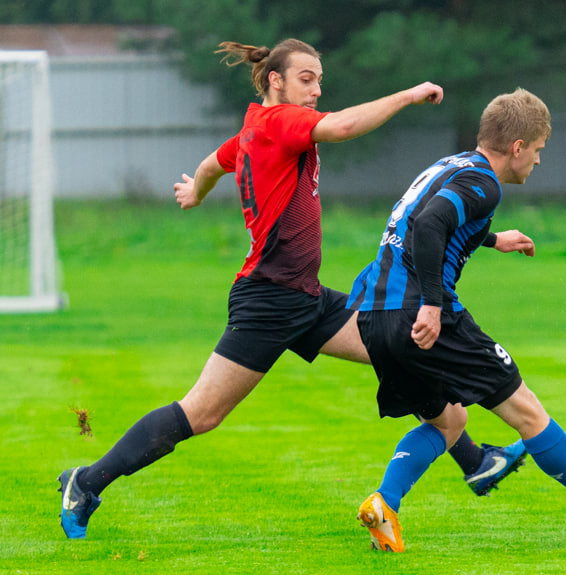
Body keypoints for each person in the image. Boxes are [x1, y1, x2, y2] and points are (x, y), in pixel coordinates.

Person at [57, 38, 525, 540]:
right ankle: (86, 482)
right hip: (269, 300)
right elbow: (342, 126)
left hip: (306, 298)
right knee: (203, 412)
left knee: (406, 340)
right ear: (275, 81)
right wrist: (408, 95)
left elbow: (217, 161)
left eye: (320, 80)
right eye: (306, 79)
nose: (316, 89)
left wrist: (197, 188)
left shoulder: (253, 131)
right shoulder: (280, 122)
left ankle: (474, 460)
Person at [348, 88, 566, 553]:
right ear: (517, 147)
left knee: (448, 421)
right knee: (525, 409)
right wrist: (431, 303)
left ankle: (384, 504)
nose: (538, 161)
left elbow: (431, 217)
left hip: (373, 313)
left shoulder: (451, 166)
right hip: (422, 313)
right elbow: (429, 225)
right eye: (538, 151)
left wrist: (489, 239)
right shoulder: (484, 183)